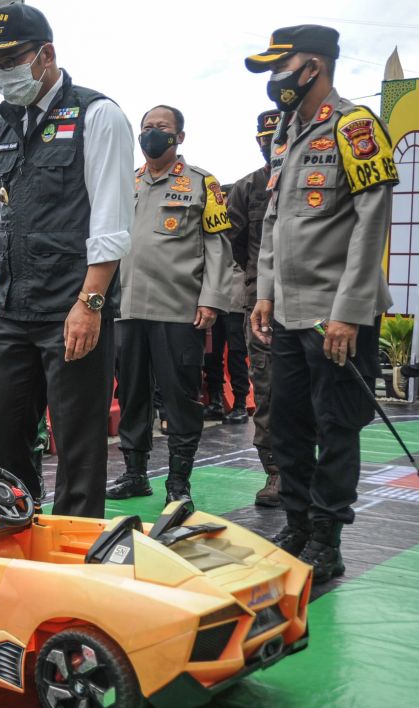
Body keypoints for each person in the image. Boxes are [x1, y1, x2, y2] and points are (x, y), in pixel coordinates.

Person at [0, 5, 134, 516]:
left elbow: (111, 221)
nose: (2, 74)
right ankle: (16, 530)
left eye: (11, 59)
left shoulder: (97, 115)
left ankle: (77, 551)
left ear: (46, 55)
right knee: (4, 432)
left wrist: (90, 303)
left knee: (77, 440)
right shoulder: (4, 128)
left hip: (72, 306)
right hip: (13, 306)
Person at [247, 25, 397, 582]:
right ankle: (299, 523)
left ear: (313, 66)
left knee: (336, 425)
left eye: (279, 68)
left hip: (335, 313)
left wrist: (350, 311)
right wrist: (264, 293)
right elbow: (273, 220)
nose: (273, 80)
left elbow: (370, 222)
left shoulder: (354, 127)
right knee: (287, 423)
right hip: (288, 310)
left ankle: (328, 538)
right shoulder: (288, 130)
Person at [106, 105, 233, 503]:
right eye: (146, 128)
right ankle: (135, 474)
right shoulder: (128, 183)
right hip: (127, 310)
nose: (151, 134)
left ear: (179, 136)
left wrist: (211, 300)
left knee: (180, 399)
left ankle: (178, 484)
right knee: (131, 397)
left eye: (161, 128)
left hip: (177, 310)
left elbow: (218, 248)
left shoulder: (201, 184)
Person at [227, 109, 282, 507]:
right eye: (265, 137)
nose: (271, 143)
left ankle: (309, 471)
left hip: (312, 303)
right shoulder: (247, 187)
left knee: (315, 393)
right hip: (261, 305)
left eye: (276, 135)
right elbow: (237, 243)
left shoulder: (306, 181)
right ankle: (275, 473)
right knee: (267, 390)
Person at [203, 288, 251, 425]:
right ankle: (215, 402)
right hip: (215, 302)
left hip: (237, 301)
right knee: (211, 354)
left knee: (236, 355)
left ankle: (240, 405)